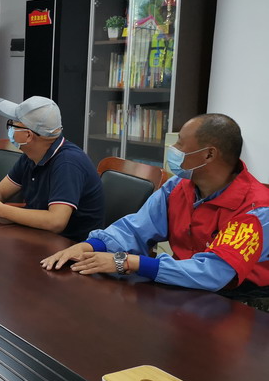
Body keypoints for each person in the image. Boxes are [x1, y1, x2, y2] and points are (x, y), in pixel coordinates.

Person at [40, 114, 269, 300]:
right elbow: (136, 229)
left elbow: (213, 273)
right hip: (186, 286)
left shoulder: (256, 210)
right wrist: (89, 246)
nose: (173, 148)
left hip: (242, 301)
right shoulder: (179, 186)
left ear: (208, 154)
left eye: (180, 143)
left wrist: (126, 262)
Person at [0, 96, 104, 240]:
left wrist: (0, 210)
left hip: (72, 247)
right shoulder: (31, 156)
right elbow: (0, 192)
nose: (11, 129)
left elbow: (56, 222)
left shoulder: (68, 163)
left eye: (13, 124)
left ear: (28, 135)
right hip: (39, 237)